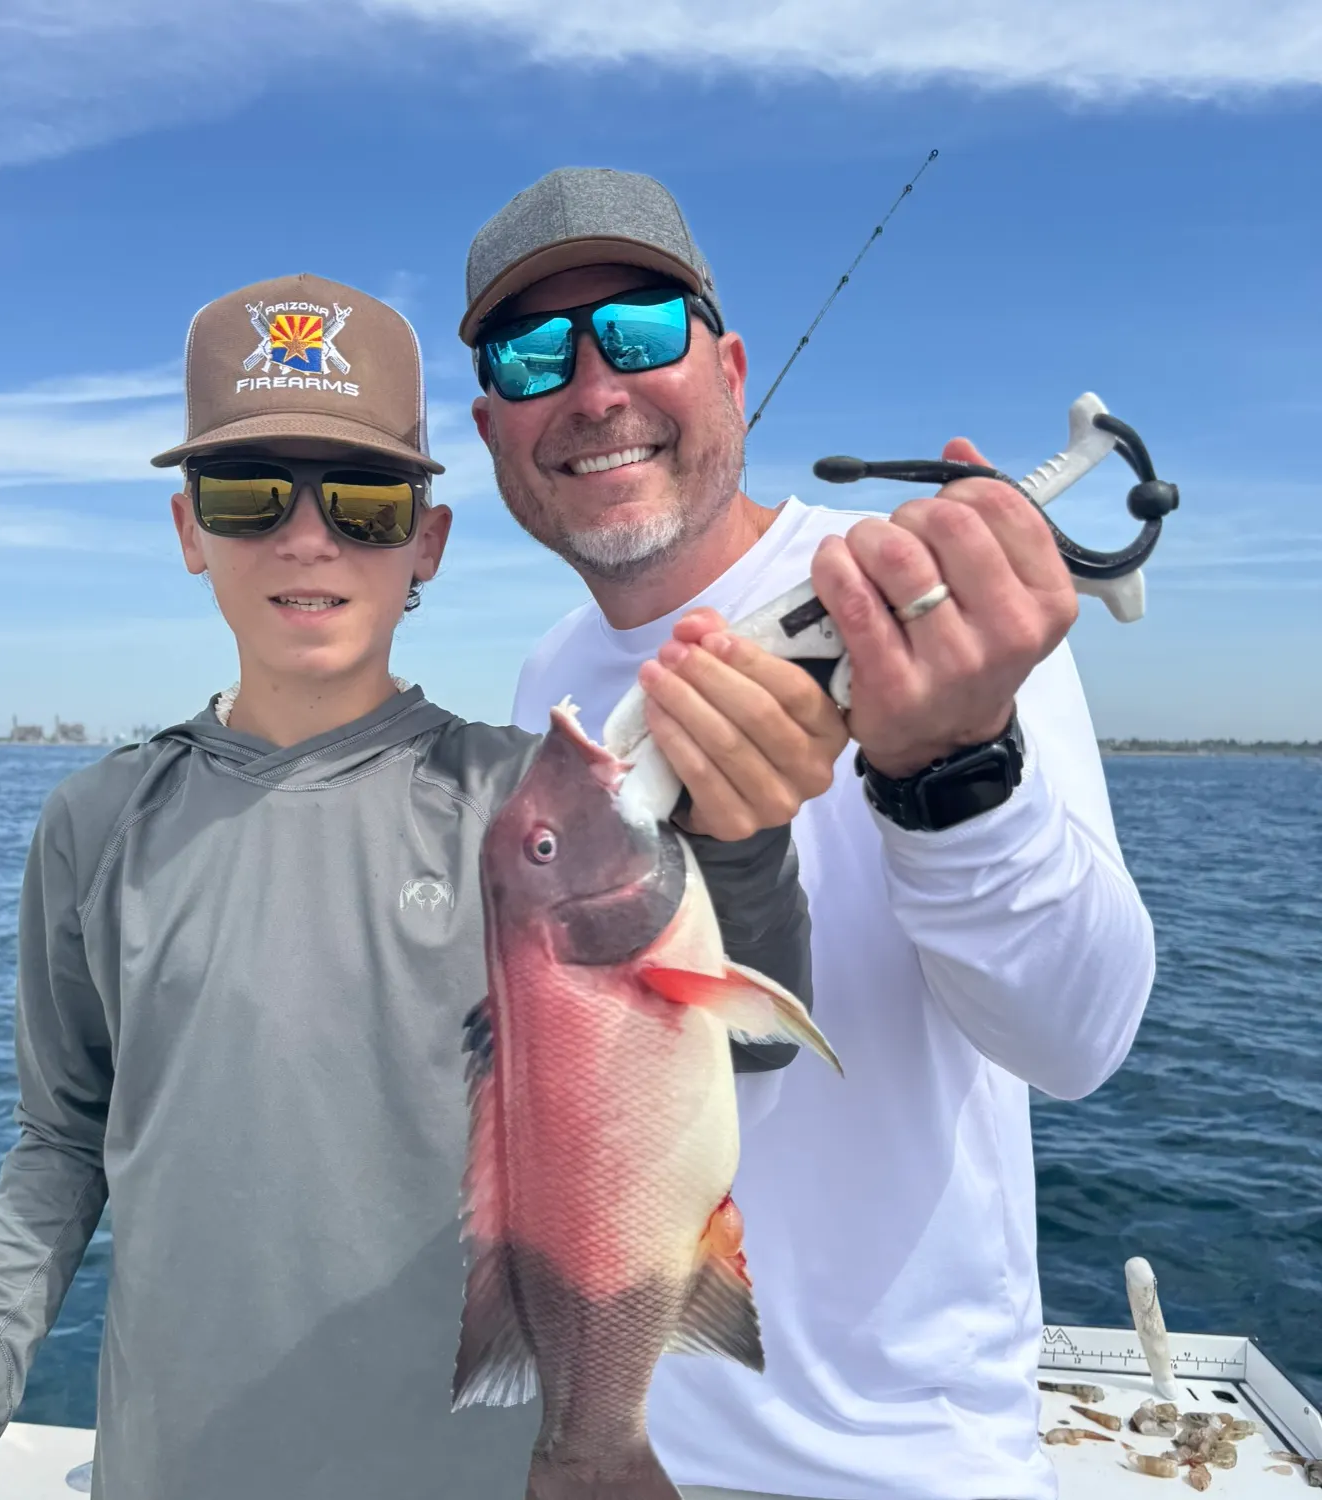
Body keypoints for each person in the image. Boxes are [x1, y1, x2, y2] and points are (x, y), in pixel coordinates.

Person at [0, 272, 850, 1500]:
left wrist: (748, 838)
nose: (307, 535)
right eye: (248, 493)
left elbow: (742, 1051)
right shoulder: (98, 821)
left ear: (427, 538)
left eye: (368, 499)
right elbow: (59, 1148)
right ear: (188, 529)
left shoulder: (520, 812)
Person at [461, 168, 1157, 1500]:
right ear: (495, 429)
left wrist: (949, 769)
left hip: (905, 1465)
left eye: (645, 331)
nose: (595, 388)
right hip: (636, 1433)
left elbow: (1082, 1039)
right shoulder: (550, 674)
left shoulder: (919, 605)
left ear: (727, 368)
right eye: (537, 353)